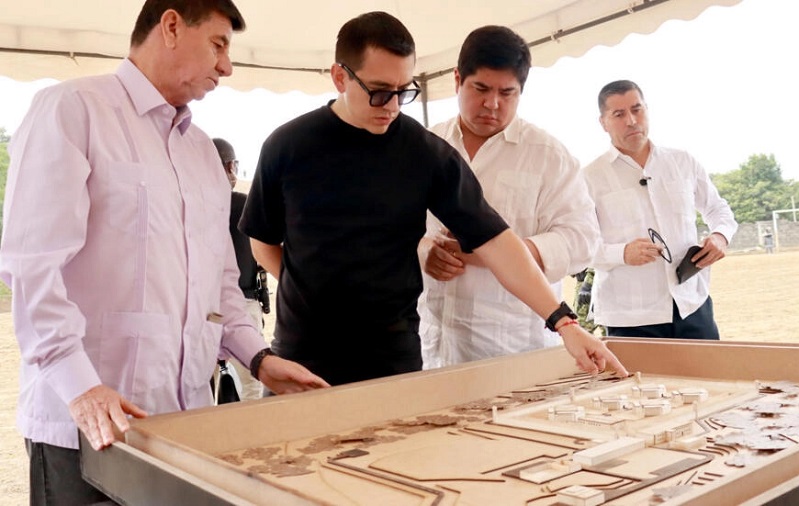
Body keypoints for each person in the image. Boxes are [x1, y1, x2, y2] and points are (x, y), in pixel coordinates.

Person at [0, 2, 327, 503]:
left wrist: (258, 357)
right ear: (171, 26)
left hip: (184, 426)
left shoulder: (202, 152)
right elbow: (32, 265)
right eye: (218, 45)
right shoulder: (74, 110)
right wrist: (80, 387)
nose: (227, 67)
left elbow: (220, 283)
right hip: (89, 429)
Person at [239, 11, 628, 387]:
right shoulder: (287, 146)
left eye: (403, 92)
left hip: (392, 359)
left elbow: (496, 242)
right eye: (379, 92)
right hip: (303, 353)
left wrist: (564, 322)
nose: (392, 106)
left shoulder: (425, 152)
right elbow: (263, 240)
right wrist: (309, 292)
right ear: (340, 77)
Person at [417, 26, 600, 368]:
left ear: (521, 91)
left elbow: (582, 241)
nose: (492, 104)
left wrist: (496, 252)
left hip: (514, 349)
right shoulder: (426, 145)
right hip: (435, 347)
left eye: (507, 93)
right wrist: (423, 249)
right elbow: (397, 226)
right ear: (457, 80)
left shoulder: (548, 156)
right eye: (481, 89)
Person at [584, 80, 737, 340]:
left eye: (637, 109)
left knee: (711, 368)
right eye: (619, 114)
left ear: (647, 109)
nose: (631, 121)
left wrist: (720, 237)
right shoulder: (588, 178)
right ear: (603, 122)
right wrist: (622, 253)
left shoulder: (682, 161)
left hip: (692, 305)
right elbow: (579, 247)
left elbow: (718, 210)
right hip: (630, 317)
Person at [212, 137, 266, 401]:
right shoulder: (245, 204)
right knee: (253, 385)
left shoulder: (192, 205)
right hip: (243, 304)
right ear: (229, 166)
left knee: (204, 385)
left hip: (202, 309)